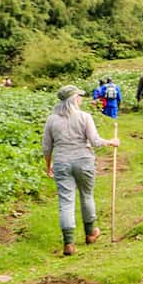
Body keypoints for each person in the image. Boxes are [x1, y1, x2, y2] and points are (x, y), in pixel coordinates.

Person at [42, 85, 119, 256]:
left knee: (66, 202)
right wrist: (111, 141)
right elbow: (95, 141)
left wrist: (48, 166)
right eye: (79, 96)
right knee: (87, 195)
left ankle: (69, 243)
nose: (81, 99)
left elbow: (46, 147)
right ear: (74, 99)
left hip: (62, 162)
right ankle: (90, 233)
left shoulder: (51, 120)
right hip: (84, 161)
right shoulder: (85, 117)